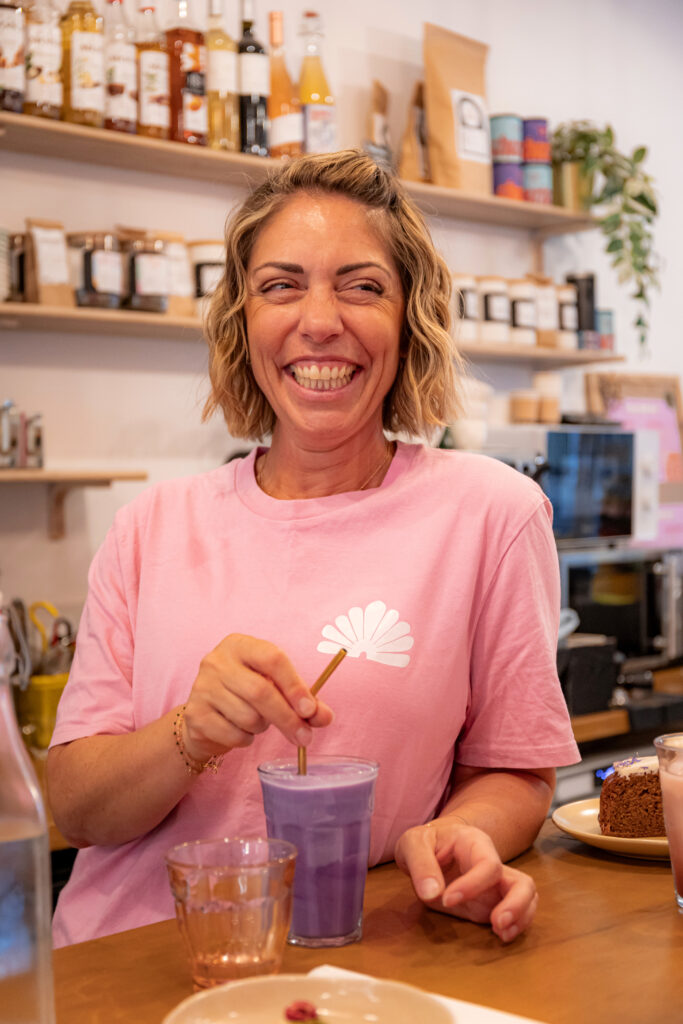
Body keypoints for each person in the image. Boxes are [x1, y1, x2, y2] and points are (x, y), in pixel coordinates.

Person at [47, 149, 579, 948]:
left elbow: (517, 771)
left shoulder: (491, 515)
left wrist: (461, 832)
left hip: (352, 957)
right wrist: (190, 731)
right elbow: (77, 809)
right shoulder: (149, 526)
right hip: (127, 961)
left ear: (409, 318)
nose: (320, 320)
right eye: (281, 285)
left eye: (361, 286)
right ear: (243, 319)